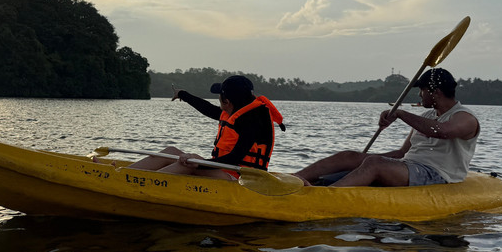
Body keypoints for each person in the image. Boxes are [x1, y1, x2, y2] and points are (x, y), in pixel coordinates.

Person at [293, 68, 479, 187]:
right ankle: (294, 178)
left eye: (422, 91)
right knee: (351, 156)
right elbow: (401, 153)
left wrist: (400, 114)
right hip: (408, 166)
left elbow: (442, 131)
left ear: (435, 92)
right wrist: (362, 159)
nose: (420, 96)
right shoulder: (428, 116)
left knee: (374, 164)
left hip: (437, 175)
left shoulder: (465, 117)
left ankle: (326, 194)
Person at [129, 75, 286, 180]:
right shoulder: (237, 111)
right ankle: (125, 175)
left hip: (243, 180)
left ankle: (142, 183)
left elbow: (234, 159)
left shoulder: (253, 122)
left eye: (219, 96)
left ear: (227, 101)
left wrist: (200, 162)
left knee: (187, 165)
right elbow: (209, 109)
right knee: (171, 151)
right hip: (225, 170)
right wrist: (182, 94)